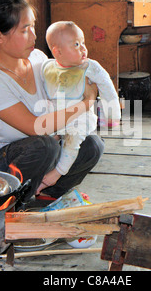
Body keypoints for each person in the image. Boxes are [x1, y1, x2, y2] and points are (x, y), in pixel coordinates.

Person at [0, 0, 103, 207]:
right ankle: (7, 203)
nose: (34, 36)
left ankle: (47, 195)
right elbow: (36, 128)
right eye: (25, 30)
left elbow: (59, 103)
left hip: (41, 146)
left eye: (33, 26)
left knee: (92, 144)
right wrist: (86, 103)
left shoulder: (37, 58)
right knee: (45, 147)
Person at [36, 21, 120, 195]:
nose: (83, 49)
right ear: (57, 51)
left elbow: (106, 86)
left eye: (83, 43)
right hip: (57, 116)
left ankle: (56, 174)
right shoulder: (47, 67)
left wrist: (112, 114)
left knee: (72, 141)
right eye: (76, 44)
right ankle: (41, 184)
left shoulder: (89, 67)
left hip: (81, 118)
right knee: (46, 135)